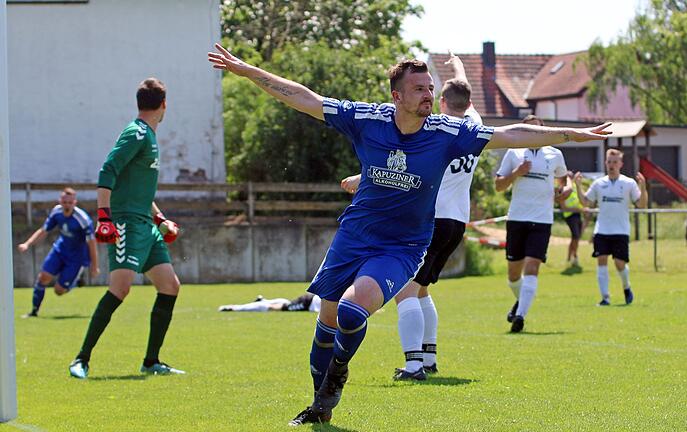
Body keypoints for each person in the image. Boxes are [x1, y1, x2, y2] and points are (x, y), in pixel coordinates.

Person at [208, 43, 610, 426]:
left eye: (431, 88)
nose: (428, 94)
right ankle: (320, 405)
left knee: (352, 310)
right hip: (354, 236)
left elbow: (511, 134)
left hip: (403, 246)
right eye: (419, 88)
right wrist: (247, 71)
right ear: (396, 95)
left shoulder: (445, 132)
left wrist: (571, 135)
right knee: (327, 319)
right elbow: (304, 98)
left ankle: (339, 375)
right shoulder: (366, 119)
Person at [339, 53, 484, 380]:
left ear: (442, 101)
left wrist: (359, 179)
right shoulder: (474, 125)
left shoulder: (441, 134)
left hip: (431, 220)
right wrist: (457, 65)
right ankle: (429, 357)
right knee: (421, 290)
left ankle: (414, 365)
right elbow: (465, 91)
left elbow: (412, 170)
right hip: (457, 222)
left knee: (404, 290)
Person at [68, 78, 185, 379]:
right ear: (164, 105)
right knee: (120, 289)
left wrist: (160, 219)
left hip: (146, 224)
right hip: (126, 223)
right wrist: (104, 218)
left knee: (170, 286)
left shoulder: (148, 136)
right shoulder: (136, 133)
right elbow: (108, 170)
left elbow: (139, 191)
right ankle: (81, 359)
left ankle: (151, 361)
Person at [495, 115, 570, 333]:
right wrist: (517, 173)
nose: (534, 135)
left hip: (542, 219)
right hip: (517, 217)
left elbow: (562, 182)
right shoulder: (514, 153)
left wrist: (562, 192)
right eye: (529, 131)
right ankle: (521, 303)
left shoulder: (555, 154)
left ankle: (520, 316)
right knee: (513, 275)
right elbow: (499, 185)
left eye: (537, 131)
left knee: (532, 267)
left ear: (543, 132)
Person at [574, 149, 647, 306]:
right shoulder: (599, 184)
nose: (612, 165)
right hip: (602, 230)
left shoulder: (628, 183)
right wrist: (578, 186)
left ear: (621, 164)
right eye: (609, 162)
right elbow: (586, 202)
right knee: (601, 261)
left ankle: (626, 287)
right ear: (605, 163)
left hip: (621, 230)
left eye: (615, 162)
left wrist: (643, 187)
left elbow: (641, 204)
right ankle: (605, 297)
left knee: (620, 263)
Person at [16, 188, 99, 317]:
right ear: (60, 201)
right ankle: (34, 311)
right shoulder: (56, 212)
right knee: (43, 278)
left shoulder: (83, 220)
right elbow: (44, 230)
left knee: (58, 291)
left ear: (74, 203)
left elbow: (92, 243)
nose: (67, 205)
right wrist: (27, 243)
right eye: (65, 202)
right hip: (60, 250)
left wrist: (94, 266)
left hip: (76, 258)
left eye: (70, 202)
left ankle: (76, 281)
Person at [219, 293, 321, 312]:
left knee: (285, 304)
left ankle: (263, 301)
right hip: (307, 302)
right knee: (276, 308)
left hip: (310, 300)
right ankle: (235, 308)